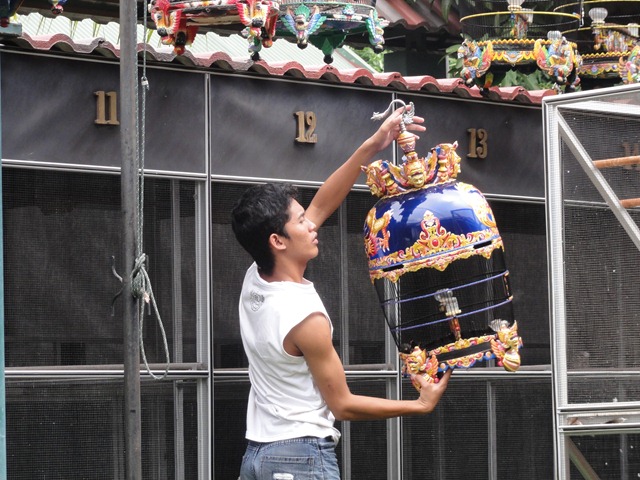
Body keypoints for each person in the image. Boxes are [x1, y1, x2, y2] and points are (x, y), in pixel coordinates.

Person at [231, 108, 452, 480]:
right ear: (278, 241)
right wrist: (419, 405)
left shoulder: (256, 276)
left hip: (258, 457)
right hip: (299, 457)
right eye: (301, 221)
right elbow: (343, 404)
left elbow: (322, 203)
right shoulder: (305, 317)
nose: (311, 224)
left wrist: (374, 143)